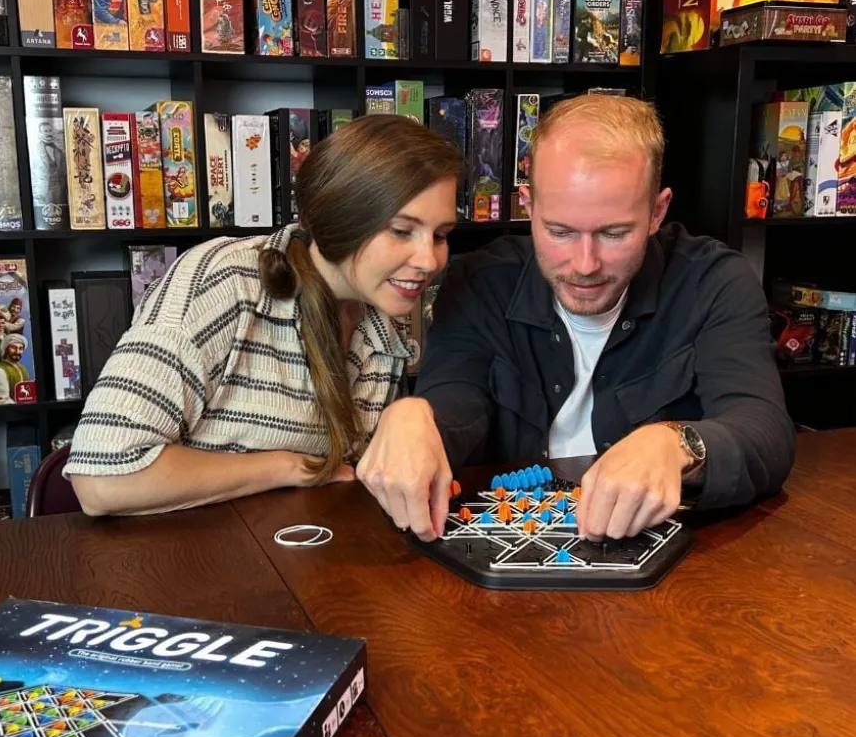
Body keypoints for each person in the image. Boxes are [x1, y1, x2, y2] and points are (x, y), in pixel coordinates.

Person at [358, 94, 795, 543]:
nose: (585, 264)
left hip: (671, 561)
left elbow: (764, 431)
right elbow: (455, 405)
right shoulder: (478, 282)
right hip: (507, 545)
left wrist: (677, 444)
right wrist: (415, 417)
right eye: (560, 231)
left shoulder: (714, 281)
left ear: (657, 212)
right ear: (528, 206)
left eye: (614, 233)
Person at [66, 114, 462, 516]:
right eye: (401, 230)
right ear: (337, 218)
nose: (429, 260)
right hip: (185, 549)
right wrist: (292, 467)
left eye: (441, 235)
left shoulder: (383, 316)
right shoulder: (224, 281)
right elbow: (101, 479)